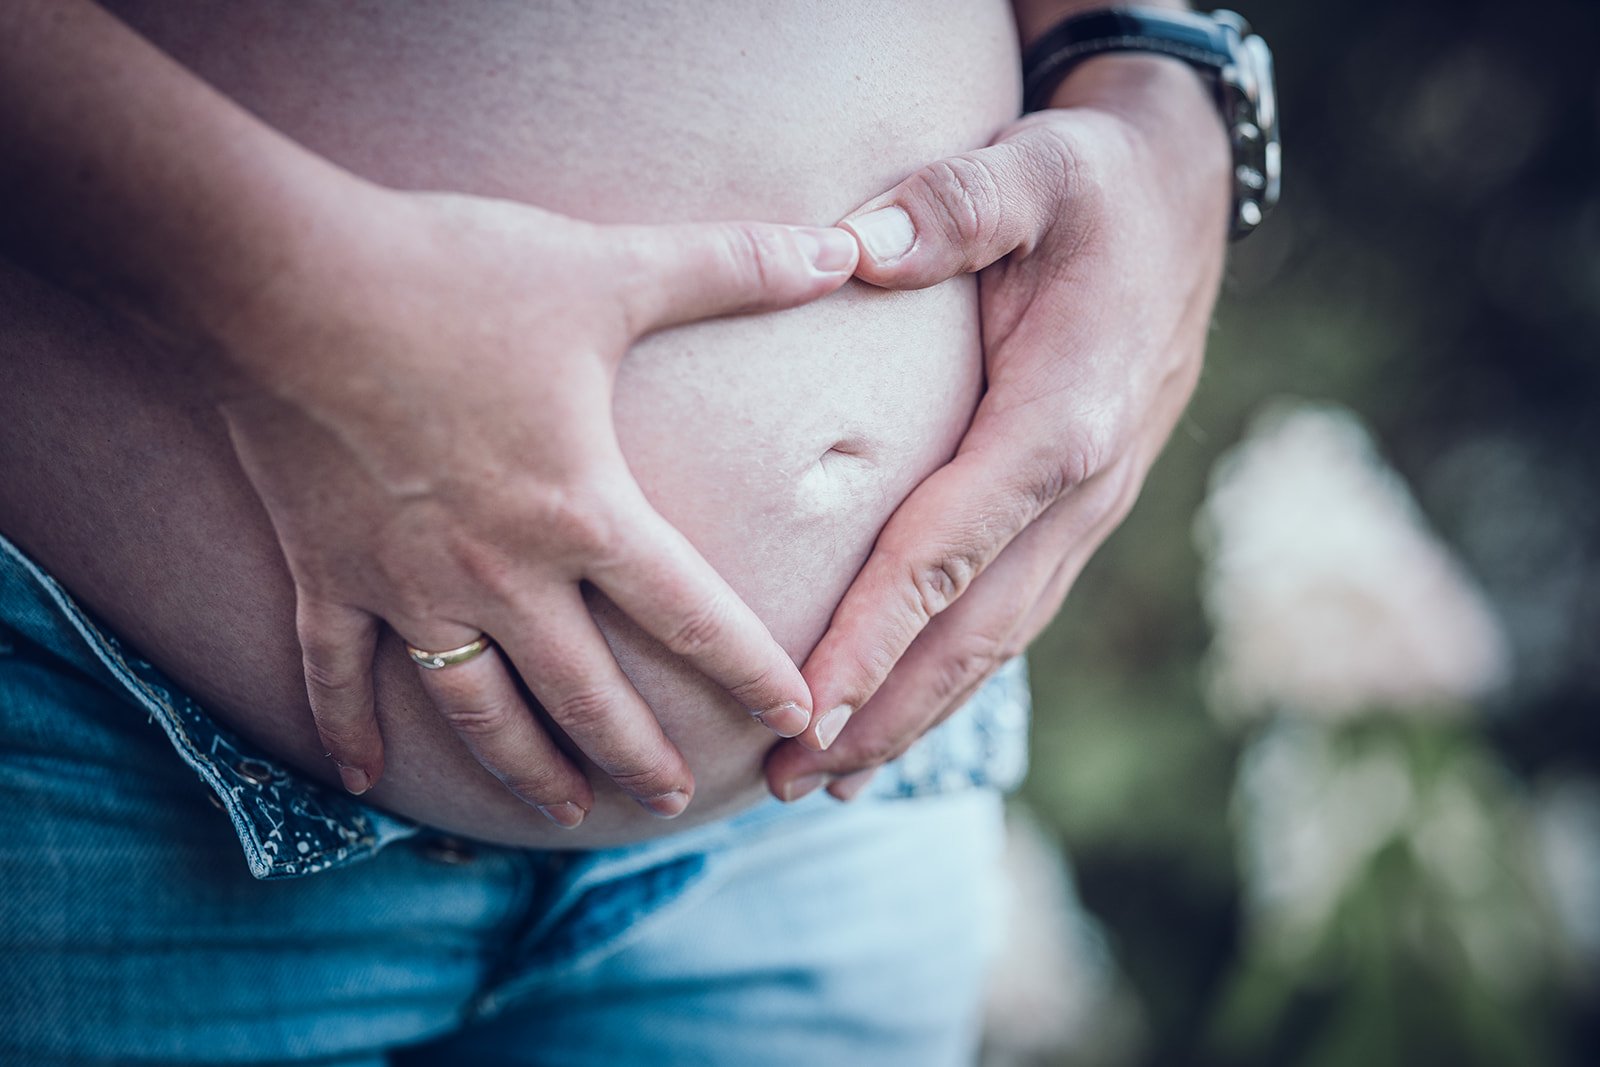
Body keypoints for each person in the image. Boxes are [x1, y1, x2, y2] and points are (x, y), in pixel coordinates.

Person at [0, 0, 1228, 1062]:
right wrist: (266, 293)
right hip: (109, 765)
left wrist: (1157, 84)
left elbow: (1152, 71)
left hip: (837, 816)